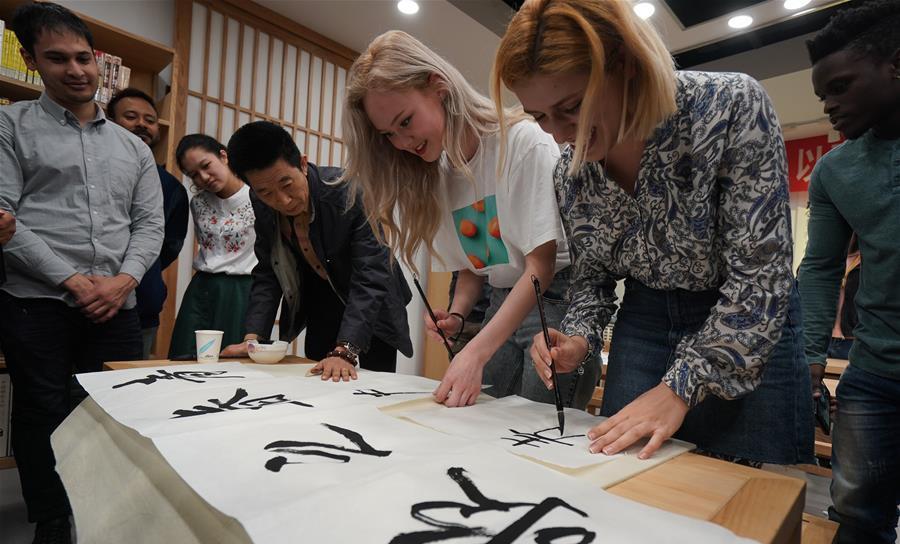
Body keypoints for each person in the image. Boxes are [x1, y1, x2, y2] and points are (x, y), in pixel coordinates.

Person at [494, 0, 813, 464]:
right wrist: (578, 339)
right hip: (644, 319)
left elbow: (760, 279)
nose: (562, 134)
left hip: (745, 320)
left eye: (572, 107)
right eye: (540, 116)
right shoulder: (571, 172)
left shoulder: (728, 106)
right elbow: (592, 282)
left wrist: (680, 386)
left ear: (624, 64)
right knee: (630, 480)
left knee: (748, 495)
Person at [342, 30, 600, 408]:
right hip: (502, 303)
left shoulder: (521, 143)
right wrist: (459, 315)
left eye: (406, 121)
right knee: (479, 420)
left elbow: (540, 266)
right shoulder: (442, 170)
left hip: (555, 301)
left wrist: (476, 352)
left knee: (537, 428)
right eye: (389, 134)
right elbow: (476, 266)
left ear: (439, 86)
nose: (402, 141)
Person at [0, 2, 163, 544]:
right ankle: (50, 522)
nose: (75, 70)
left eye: (83, 57)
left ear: (98, 61)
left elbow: (149, 226)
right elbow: (5, 219)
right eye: (57, 58)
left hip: (114, 304)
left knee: (110, 414)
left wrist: (121, 281)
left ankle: (103, 513)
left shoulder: (135, 147)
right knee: (42, 413)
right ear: (30, 59)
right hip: (34, 301)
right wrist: (70, 279)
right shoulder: (10, 126)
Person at [798, 1, 900, 544]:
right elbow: (819, 270)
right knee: (858, 525)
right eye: (822, 96)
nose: (830, 106)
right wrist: (811, 362)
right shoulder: (835, 171)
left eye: (840, 87)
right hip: (872, 376)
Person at [221, 121, 413, 378]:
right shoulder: (260, 202)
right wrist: (253, 338)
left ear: (302, 163)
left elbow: (371, 275)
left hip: (371, 301)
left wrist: (346, 349)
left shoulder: (348, 191)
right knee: (316, 379)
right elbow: (268, 270)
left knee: (369, 386)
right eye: (266, 192)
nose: (282, 200)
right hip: (321, 297)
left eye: (287, 184)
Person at [107, 88, 189, 358]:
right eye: (130, 116)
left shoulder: (171, 186)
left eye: (150, 120)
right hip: (78, 299)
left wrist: (140, 268)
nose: (141, 124)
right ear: (108, 120)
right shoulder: (90, 168)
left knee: (128, 390)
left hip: (142, 302)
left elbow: (169, 246)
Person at [168, 134, 256, 359]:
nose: (203, 177)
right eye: (193, 175)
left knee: (232, 360)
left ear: (223, 156)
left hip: (242, 290)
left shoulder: (257, 196)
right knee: (187, 358)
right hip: (202, 289)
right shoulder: (198, 203)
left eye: (206, 166)